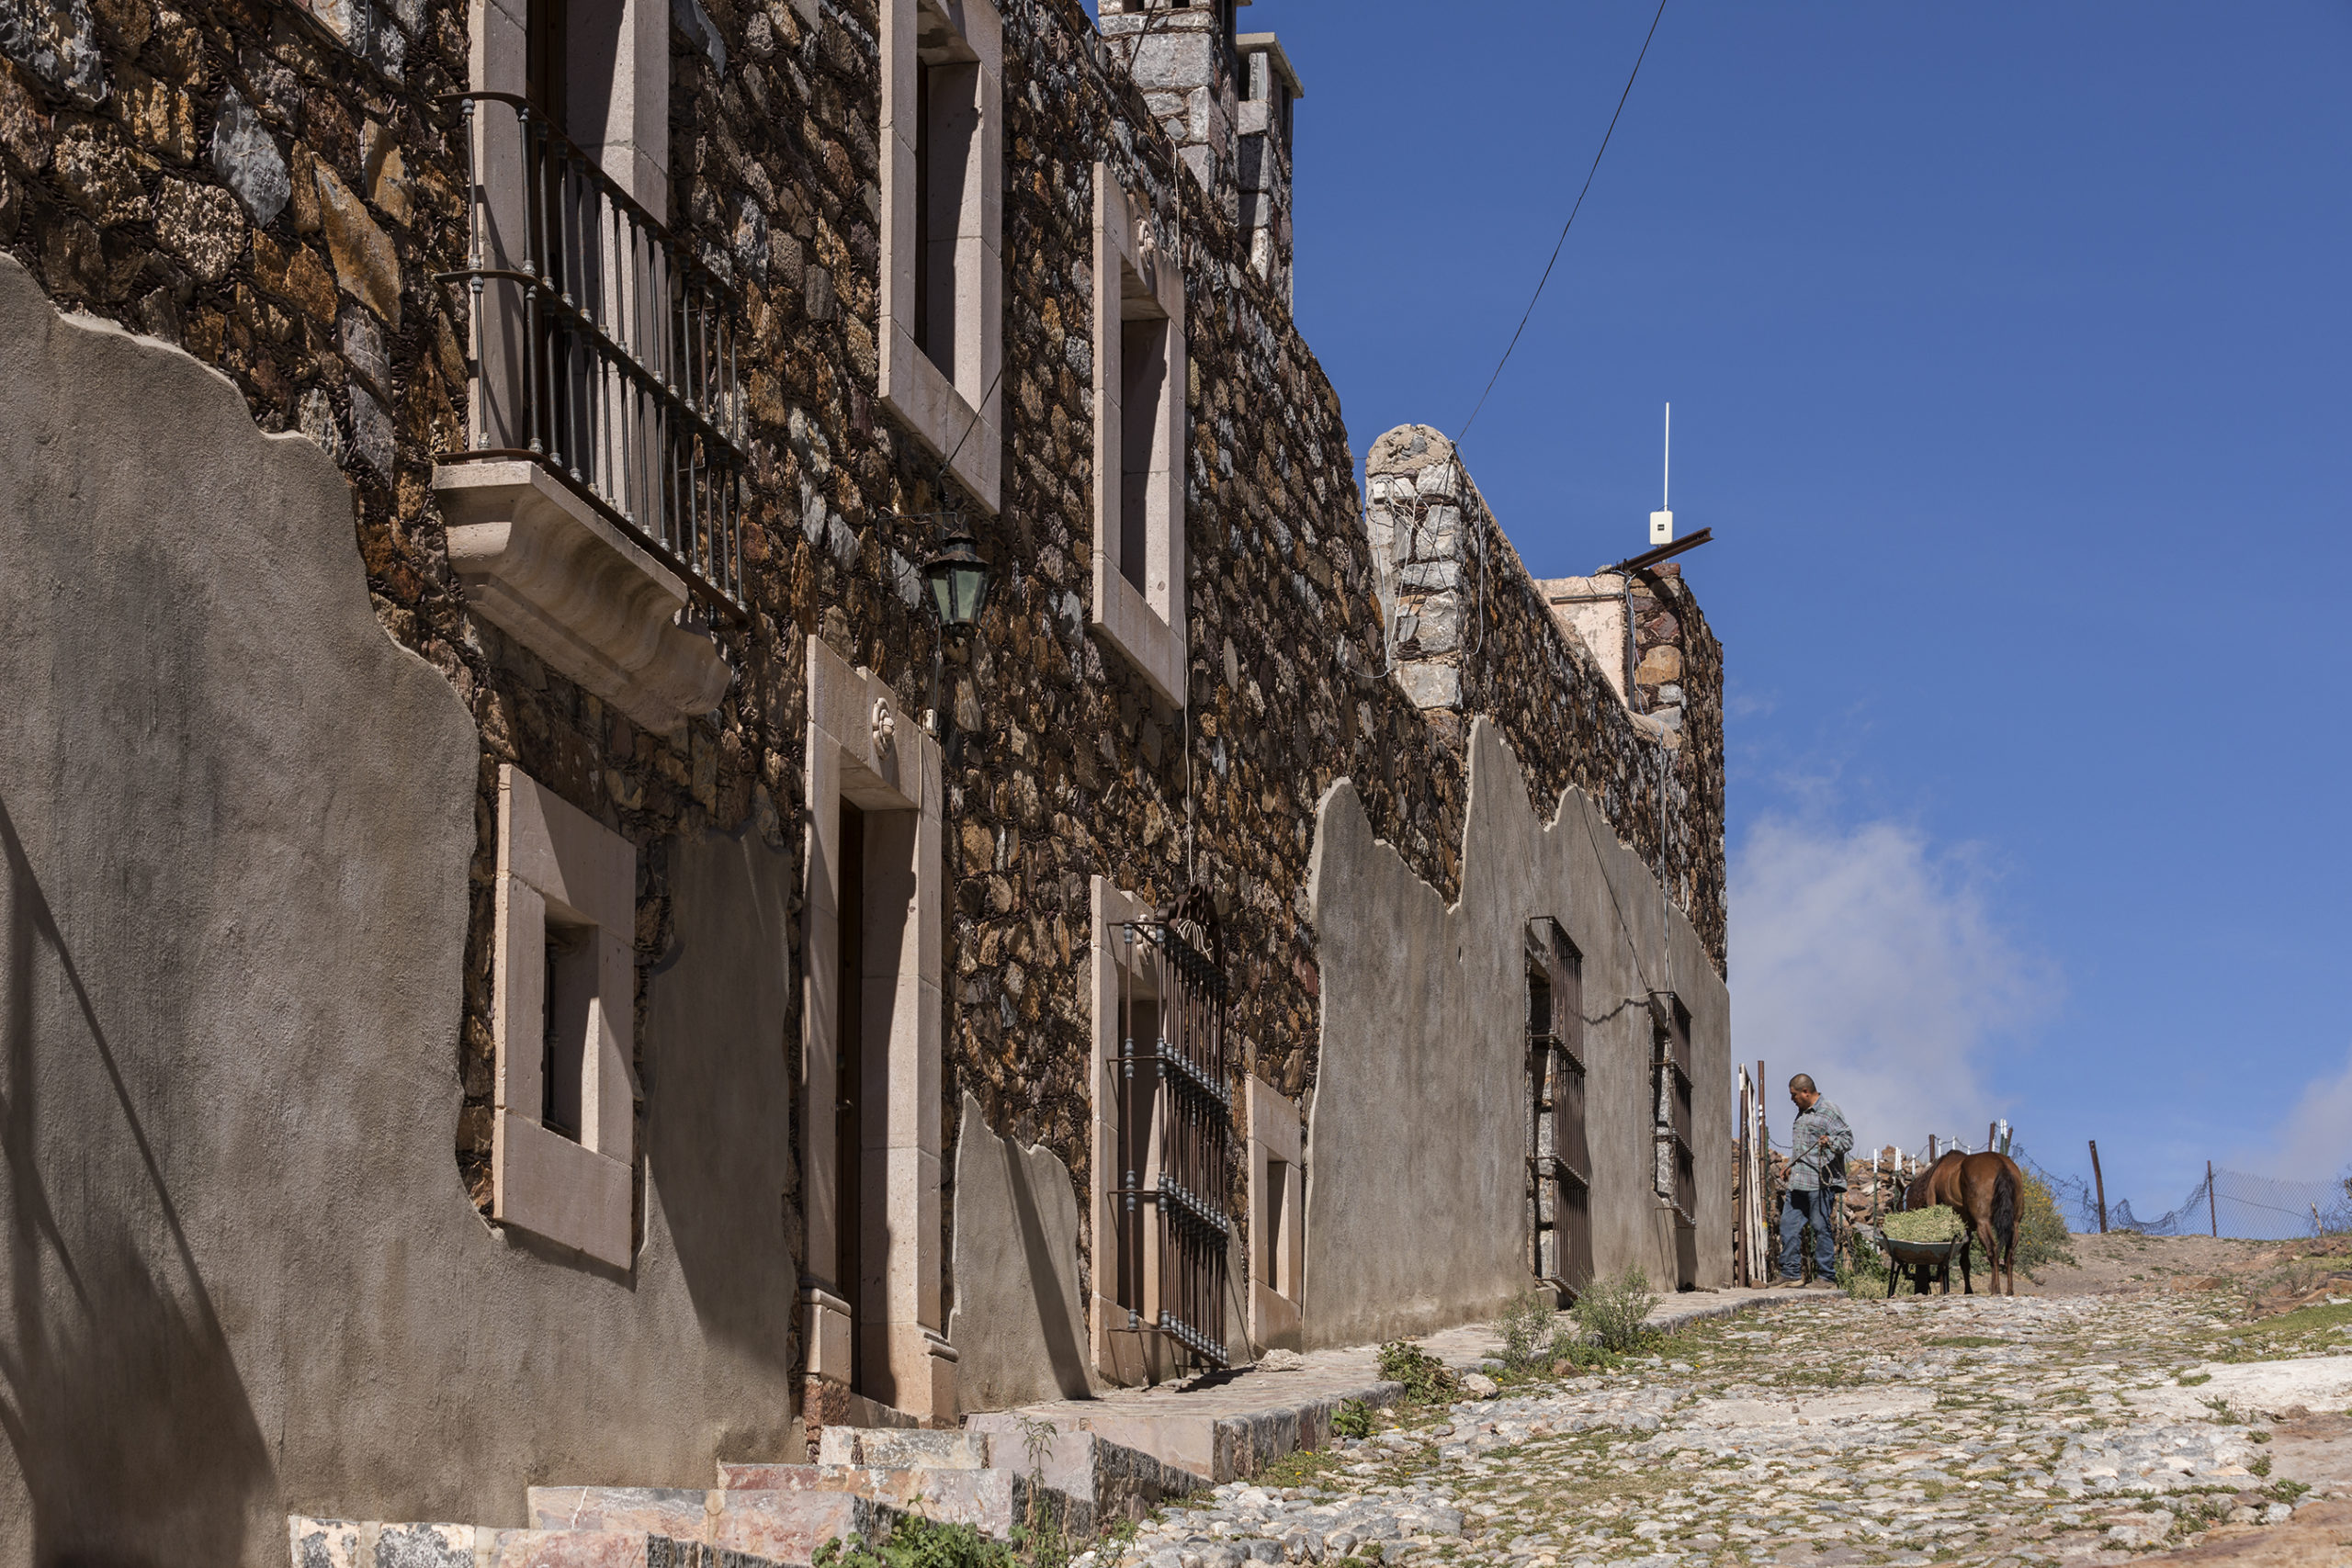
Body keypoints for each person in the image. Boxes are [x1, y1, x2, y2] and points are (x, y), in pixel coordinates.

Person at [1776, 1073, 1852, 1287]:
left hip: (1820, 1182)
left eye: (1794, 1095)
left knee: (1821, 1227)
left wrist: (1830, 1141)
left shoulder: (1829, 1111)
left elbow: (1847, 1139)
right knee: (1788, 1225)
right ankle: (1790, 1273)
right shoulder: (1802, 1113)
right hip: (1799, 1180)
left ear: (1806, 1092)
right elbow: (1803, 1146)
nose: (1792, 1099)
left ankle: (1826, 1277)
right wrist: (1791, 1164)